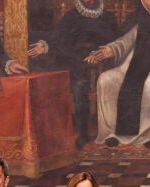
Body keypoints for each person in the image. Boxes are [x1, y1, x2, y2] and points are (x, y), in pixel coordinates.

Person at [84, 0, 150, 149]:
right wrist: (112, 50)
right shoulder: (134, 18)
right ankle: (113, 133)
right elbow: (123, 42)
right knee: (105, 80)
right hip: (128, 64)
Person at [27, 0, 118, 149]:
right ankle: (76, 132)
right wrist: (46, 45)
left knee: (84, 82)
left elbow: (114, 42)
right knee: (74, 82)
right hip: (73, 62)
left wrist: (97, 53)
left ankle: (94, 131)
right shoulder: (71, 15)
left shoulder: (108, 17)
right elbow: (57, 38)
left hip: (100, 65)